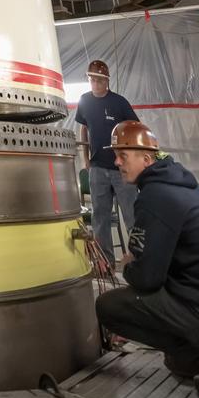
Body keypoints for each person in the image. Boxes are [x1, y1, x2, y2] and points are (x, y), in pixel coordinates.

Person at [96, 121, 199, 398]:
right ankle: (196, 356)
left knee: (108, 306)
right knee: (176, 363)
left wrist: (128, 264)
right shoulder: (178, 181)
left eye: (122, 155)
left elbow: (147, 279)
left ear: (146, 159)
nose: (116, 162)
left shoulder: (156, 196)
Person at [75, 58, 139, 269]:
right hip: (97, 168)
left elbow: (134, 127)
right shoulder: (84, 101)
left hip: (121, 170)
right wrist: (86, 159)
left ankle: (140, 261)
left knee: (132, 215)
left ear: (107, 81)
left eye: (99, 80)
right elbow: (83, 128)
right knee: (100, 218)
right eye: (92, 79)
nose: (95, 83)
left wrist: (129, 159)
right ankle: (105, 263)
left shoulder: (119, 103)